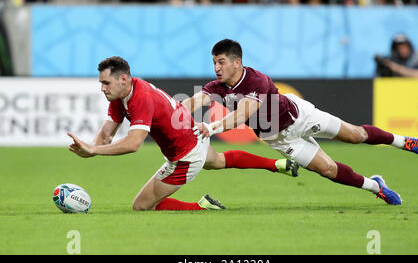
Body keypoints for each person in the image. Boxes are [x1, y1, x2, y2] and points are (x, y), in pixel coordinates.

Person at [183, 39, 418, 206]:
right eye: (214, 62)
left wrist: (210, 127)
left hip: (300, 117)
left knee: (356, 135)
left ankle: (402, 141)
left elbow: (241, 115)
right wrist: (170, 112)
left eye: (221, 62)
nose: (216, 68)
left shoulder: (257, 81)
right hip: (278, 138)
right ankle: (375, 186)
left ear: (237, 63)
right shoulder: (216, 87)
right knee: (328, 170)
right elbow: (193, 101)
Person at [67, 56, 300, 212]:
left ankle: (202, 208)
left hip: (185, 155)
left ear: (123, 79)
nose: (102, 88)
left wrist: (95, 149)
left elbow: (133, 144)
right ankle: (277, 164)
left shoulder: (141, 98)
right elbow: (106, 135)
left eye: (106, 82)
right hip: (194, 136)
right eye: (101, 83)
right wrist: (91, 150)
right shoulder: (120, 96)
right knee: (218, 161)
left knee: (141, 206)